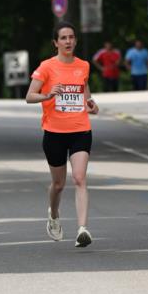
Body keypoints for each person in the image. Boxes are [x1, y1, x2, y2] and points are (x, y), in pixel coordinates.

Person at [26, 21, 99, 248]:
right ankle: (54, 215)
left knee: (79, 178)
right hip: (54, 132)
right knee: (58, 184)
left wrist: (91, 104)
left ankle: (82, 229)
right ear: (55, 43)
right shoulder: (47, 67)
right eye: (64, 38)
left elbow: (85, 93)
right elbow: (30, 96)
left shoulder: (83, 66)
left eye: (71, 37)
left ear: (75, 41)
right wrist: (47, 95)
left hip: (80, 129)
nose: (68, 41)